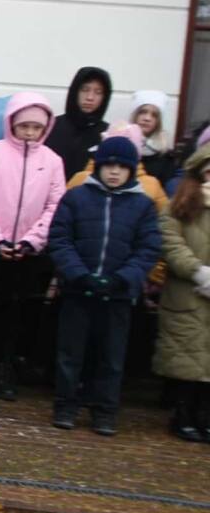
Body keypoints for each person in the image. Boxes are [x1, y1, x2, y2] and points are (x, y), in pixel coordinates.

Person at [46, 136, 161, 434]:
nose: (114, 172)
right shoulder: (76, 198)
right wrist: (79, 274)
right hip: (78, 290)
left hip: (118, 295)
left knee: (111, 357)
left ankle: (105, 410)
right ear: (98, 166)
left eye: (122, 167)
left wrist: (122, 279)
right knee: (71, 352)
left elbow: (148, 249)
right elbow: (60, 239)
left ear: (131, 170)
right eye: (108, 165)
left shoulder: (143, 206)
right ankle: (66, 405)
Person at [0, 93, 66, 400]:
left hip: (29, 252)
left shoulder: (52, 161)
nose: (30, 133)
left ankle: (7, 370)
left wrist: (31, 240)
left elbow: (54, 205)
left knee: (18, 315)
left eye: (37, 127)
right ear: (12, 124)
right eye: (24, 126)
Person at [155, 145, 210, 442]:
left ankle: (205, 415)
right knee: (187, 359)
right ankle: (183, 414)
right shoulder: (180, 206)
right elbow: (171, 242)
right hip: (187, 295)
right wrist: (198, 271)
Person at [46, 66, 113, 179]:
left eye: (98, 92)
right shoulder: (51, 126)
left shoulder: (108, 134)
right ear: (75, 91)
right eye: (85, 90)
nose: (90, 97)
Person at [129, 91, 177, 187]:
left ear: (158, 122)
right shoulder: (121, 146)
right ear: (135, 115)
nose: (147, 118)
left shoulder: (165, 155)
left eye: (154, 115)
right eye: (143, 112)